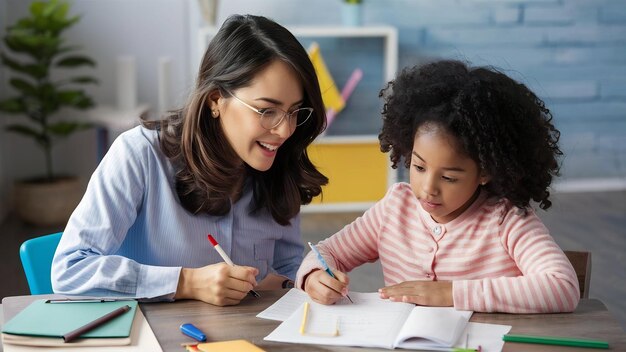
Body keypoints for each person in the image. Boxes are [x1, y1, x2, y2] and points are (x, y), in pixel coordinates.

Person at [52, 14, 328, 306]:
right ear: (215, 101)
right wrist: (186, 282)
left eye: (295, 111)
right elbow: (70, 269)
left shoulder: (278, 167)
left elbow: (287, 265)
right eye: (266, 111)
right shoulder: (140, 156)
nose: (285, 130)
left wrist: (308, 278)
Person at [297, 60, 581, 313]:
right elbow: (326, 252)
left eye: (449, 177)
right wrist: (314, 277)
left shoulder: (507, 220)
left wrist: (451, 293)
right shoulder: (396, 207)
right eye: (419, 167)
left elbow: (562, 287)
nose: (427, 188)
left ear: (485, 172)